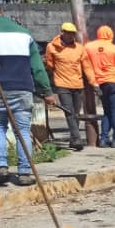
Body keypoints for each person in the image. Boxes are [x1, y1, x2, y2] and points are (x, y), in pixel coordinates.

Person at [0, 0, 56, 208]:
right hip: (22, 89)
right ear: (1, 11)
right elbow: (37, 68)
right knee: (22, 130)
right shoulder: (23, 33)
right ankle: (25, 171)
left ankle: (1, 165)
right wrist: (46, 92)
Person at [44, 21, 96, 150]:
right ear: (62, 33)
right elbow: (50, 65)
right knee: (69, 111)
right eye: (69, 33)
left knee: (76, 113)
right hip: (62, 84)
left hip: (77, 84)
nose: (72, 36)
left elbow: (87, 67)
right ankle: (77, 138)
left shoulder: (79, 48)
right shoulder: (51, 47)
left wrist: (93, 82)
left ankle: (74, 139)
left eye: (73, 34)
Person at [85, 25, 115, 148]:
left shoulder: (88, 47)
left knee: (107, 112)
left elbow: (86, 65)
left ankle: (103, 139)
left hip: (100, 84)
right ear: (110, 34)